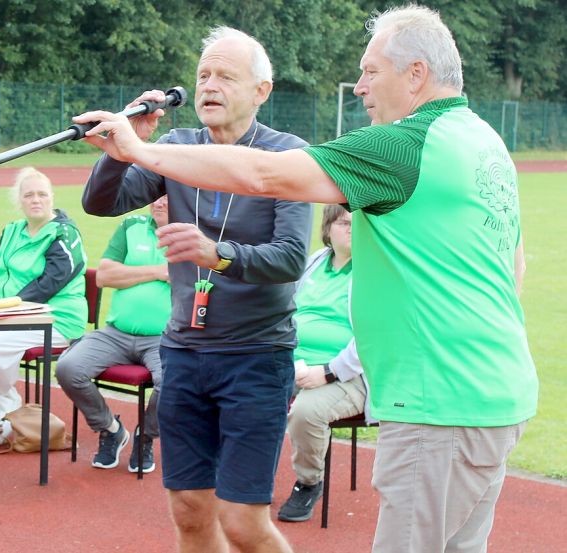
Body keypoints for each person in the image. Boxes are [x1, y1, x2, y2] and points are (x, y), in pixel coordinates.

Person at [74, 5, 537, 552]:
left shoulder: (405, 144)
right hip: (494, 391)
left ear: (416, 74)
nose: (360, 86)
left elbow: (268, 176)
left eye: (371, 71)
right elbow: (516, 261)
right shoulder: (481, 138)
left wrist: (140, 149)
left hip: (438, 401)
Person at [82, 27, 312, 553]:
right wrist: (124, 147)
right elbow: (102, 203)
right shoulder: (176, 148)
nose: (210, 85)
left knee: (242, 521)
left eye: (226, 76)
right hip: (184, 353)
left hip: (256, 356)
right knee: (189, 513)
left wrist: (218, 255)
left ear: (262, 90)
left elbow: (291, 259)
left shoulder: (288, 155)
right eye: (203, 74)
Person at [0, 167, 88, 433]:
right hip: (5, 314)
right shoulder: (11, 231)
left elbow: (51, 282)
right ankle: (2, 404)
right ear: (20, 201)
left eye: (42, 194)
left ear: (52, 198)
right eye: (29, 195)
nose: (36, 200)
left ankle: (4, 408)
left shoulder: (64, 234)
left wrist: (7, 307)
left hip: (54, 318)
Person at [57, 195, 171, 474]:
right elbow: (105, 276)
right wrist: (157, 272)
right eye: (155, 196)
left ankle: (145, 436)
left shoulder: (193, 235)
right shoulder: (131, 225)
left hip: (164, 339)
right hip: (115, 333)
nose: (159, 202)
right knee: (68, 367)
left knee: (173, 380)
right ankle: (111, 428)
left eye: (168, 197)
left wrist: (130, 273)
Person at [277, 205, 372, 523]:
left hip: (348, 374)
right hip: (291, 361)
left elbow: (375, 335)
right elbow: (283, 309)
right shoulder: (313, 263)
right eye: (344, 222)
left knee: (307, 411)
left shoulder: (375, 271)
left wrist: (329, 372)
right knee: (245, 390)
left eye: (356, 223)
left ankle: (308, 482)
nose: (350, 228)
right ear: (328, 227)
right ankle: (248, 476)